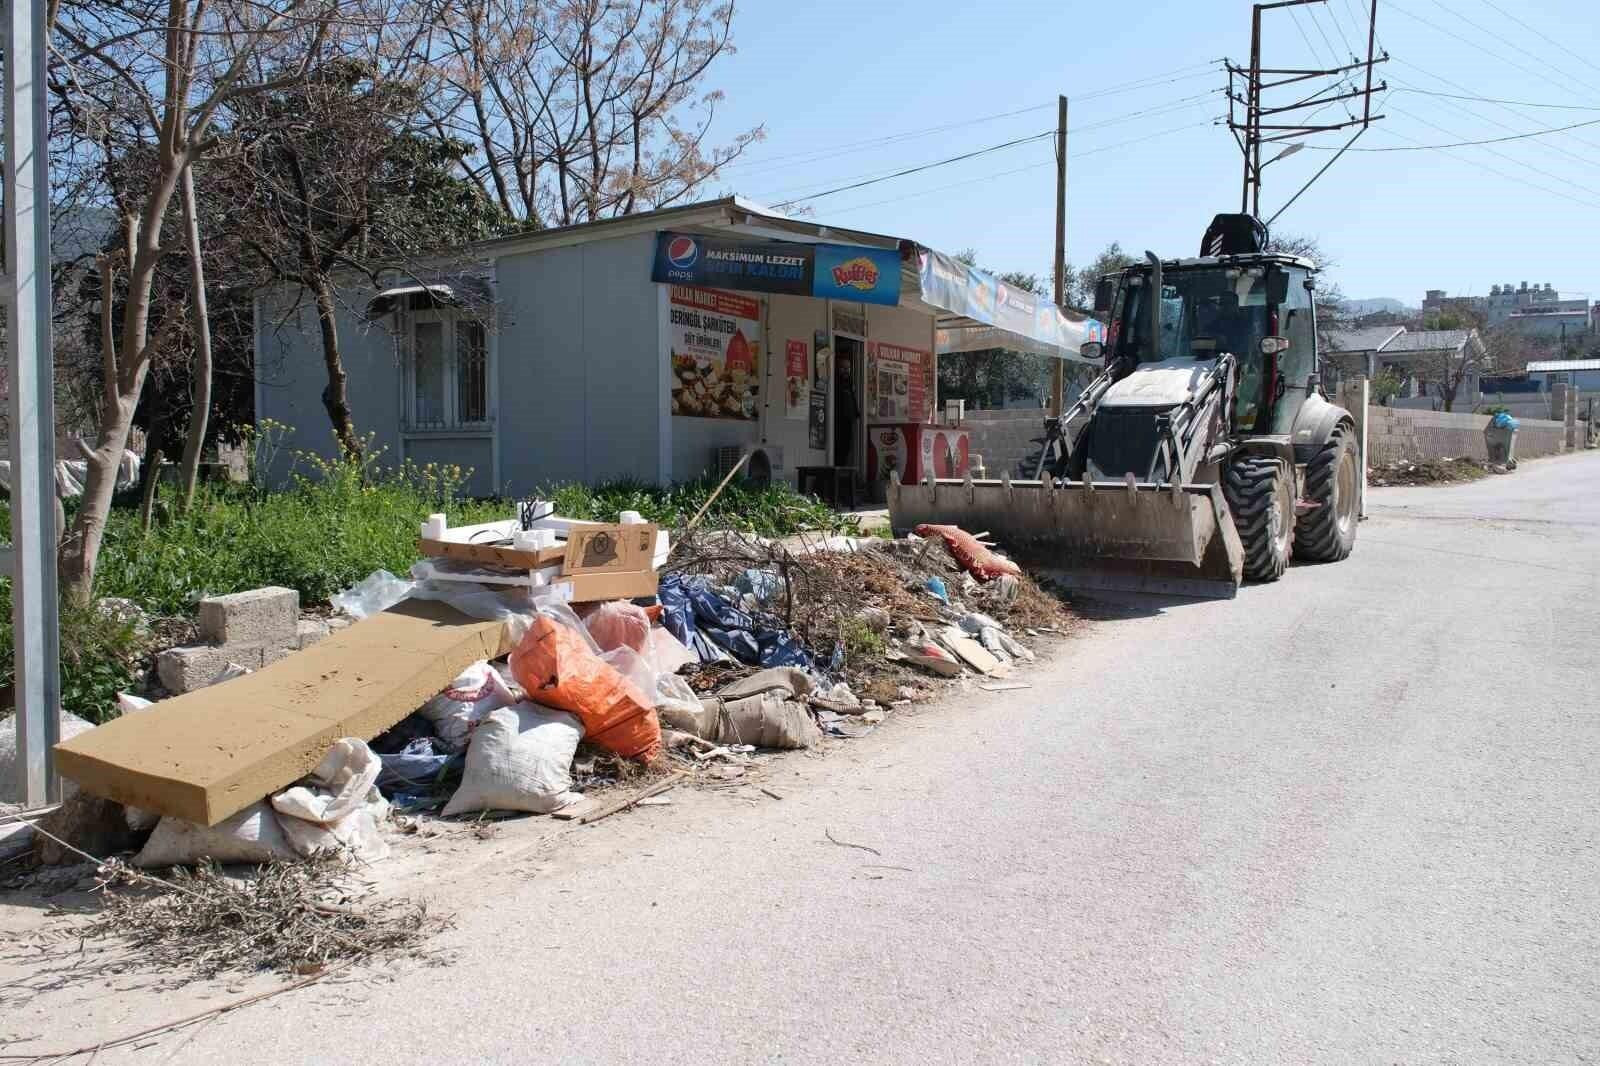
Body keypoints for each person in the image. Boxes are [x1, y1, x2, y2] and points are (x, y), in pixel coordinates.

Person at [834, 353, 860, 467]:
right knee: (839, 448)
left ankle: (843, 471)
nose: (846, 370)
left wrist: (856, 413)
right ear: (838, 368)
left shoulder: (850, 382)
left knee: (847, 448)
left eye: (848, 368)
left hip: (849, 421)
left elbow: (852, 399)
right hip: (838, 420)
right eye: (843, 368)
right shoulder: (835, 382)